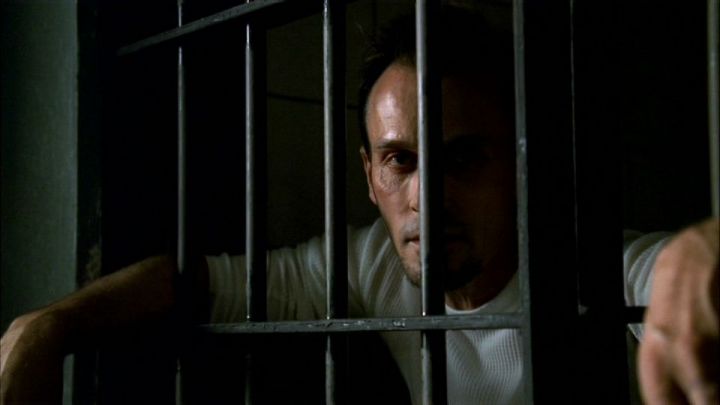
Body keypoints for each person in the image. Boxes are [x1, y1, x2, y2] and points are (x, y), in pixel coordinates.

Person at [2, 7, 718, 405]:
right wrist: (48, 326)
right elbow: (194, 282)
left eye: (464, 157)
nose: (425, 196)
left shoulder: (599, 271)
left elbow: (674, 277)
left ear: (523, 167)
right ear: (371, 175)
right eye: (401, 160)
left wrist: (706, 247)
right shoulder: (371, 261)